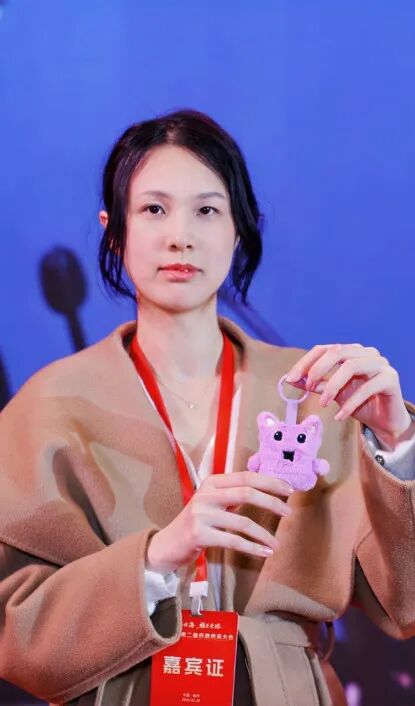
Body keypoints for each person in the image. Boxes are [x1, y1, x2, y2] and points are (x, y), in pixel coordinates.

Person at [0, 109, 414, 706]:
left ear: (238, 230)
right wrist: (157, 557)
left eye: (207, 210)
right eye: (153, 209)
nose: (180, 236)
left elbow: (405, 604)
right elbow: (14, 629)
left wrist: (398, 446)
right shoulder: (49, 406)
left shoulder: (316, 394)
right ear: (112, 230)